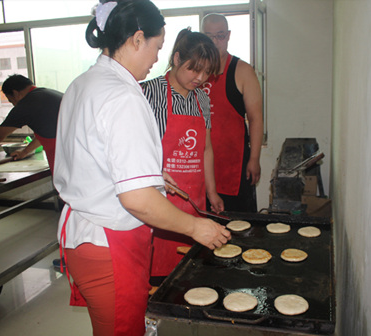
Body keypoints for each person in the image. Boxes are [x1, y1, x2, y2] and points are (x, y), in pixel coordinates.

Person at [53, 2, 230, 335]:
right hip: (110, 245)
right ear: (137, 39)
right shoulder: (124, 94)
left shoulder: (84, 83)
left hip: (82, 238)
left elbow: (90, 156)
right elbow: (136, 199)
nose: (155, 59)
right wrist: (195, 227)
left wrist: (151, 173)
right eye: (157, 47)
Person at [141, 28, 223, 277]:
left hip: (193, 200)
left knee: (189, 272)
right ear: (176, 59)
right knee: (158, 275)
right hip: (159, 201)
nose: (200, 77)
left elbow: (206, 149)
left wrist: (212, 192)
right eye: (194, 68)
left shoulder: (203, 99)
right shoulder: (148, 93)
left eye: (207, 72)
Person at [201, 13, 264, 212]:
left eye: (220, 36)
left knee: (239, 228)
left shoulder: (243, 71)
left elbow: (255, 119)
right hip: (199, 164)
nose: (215, 42)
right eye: (209, 36)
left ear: (228, 36)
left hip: (233, 165)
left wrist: (254, 158)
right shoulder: (194, 70)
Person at [0, 74, 62, 173]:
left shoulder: (27, 103)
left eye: (11, 101)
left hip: (63, 158)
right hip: (72, 153)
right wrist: (25, 152)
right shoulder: (50, 94)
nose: (14, 105)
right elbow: (46, 133)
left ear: (15, 93)